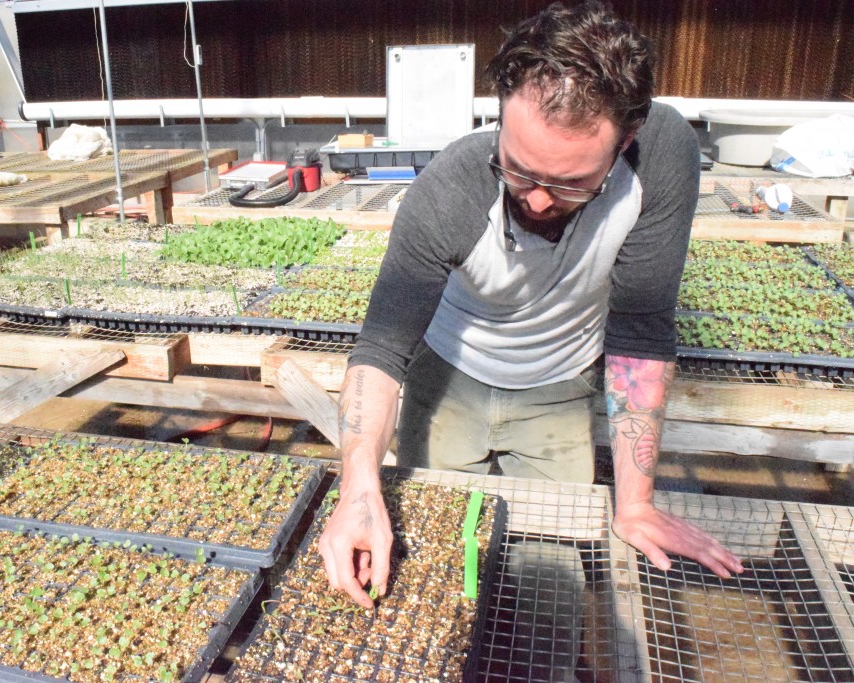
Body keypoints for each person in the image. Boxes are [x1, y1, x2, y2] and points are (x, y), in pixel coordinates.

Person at [318, 1, 745, 613]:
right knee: (431, 570)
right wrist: (359, 486)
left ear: (624, 141)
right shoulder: (449, 191)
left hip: (558, 385)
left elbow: (640, 328)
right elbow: (382, 348)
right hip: (448, 378)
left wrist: (636, 503)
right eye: (519, 171)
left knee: (551, 582)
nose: (540, 201)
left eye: (570, 183)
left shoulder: (661, 157)